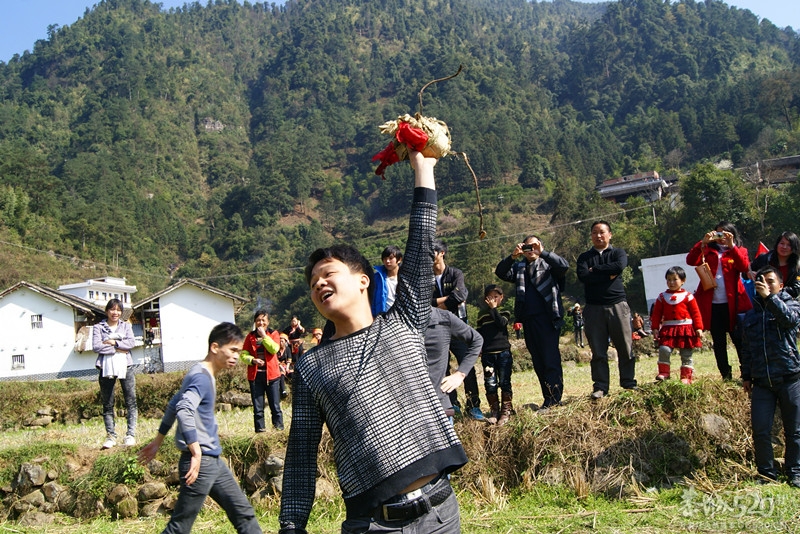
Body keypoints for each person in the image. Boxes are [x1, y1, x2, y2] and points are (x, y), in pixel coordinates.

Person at [279, 151, 465, 533]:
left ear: (364, 280)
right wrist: (291, 525)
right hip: (375, 525)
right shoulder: (313, 365)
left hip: (441, 514)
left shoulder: (403, 321)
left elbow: (418, 246)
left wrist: (423, 168)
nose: (318, 284)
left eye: (328, 273)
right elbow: (301, 453)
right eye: (313, 283)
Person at [138, 322, 263, 534]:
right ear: (215, 348)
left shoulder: (199, 372)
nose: (236, 356)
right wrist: (195, 452)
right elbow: (184, 409)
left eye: (238, 352)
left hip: (212, 461)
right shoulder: (201, 377)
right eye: (232, 350)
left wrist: (157, 442)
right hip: (201, 463)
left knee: (244, 514)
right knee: (179, 527)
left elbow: (173, 405)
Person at [739, 266, 800, 487]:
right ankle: (767, 473)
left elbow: (791, 321)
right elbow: (746, 348)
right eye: (761, 281)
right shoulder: (751, 315)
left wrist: (771, 298)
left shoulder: (791, 304)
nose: (765, 284)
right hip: (762, 382)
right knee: (761, 430)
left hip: (789, 377)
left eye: (771, 281)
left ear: (781, 285)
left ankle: (795, 472)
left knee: (794, 431)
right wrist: (746, 375)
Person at [496, 235, 568, 408]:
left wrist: (543, 252)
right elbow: (501, 272)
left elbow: (564, 266)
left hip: (548, 319)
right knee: (538, 361)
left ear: (541, 246)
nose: (531, 250)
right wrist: (512, 256)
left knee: (550, 359)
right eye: (527, 247)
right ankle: (547, 397)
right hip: (528, 320)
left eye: (534, 246)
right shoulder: (519, 267)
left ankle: (555, 398)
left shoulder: (549, 264)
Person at [576, 221, 637, 399]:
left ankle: (628, 382)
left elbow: (619, 267)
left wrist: (595, 270)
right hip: (594, 308)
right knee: (598, 351)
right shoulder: (584, 257)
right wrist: (605, 274)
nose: (598, 236)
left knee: (625, 347)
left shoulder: (618, 253)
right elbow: (584, 277)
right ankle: (600, 386)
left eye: (602, 232)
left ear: (610, 234)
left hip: (618, 305)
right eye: (594, 233)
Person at [686, 222, 752, 380]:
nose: (721, 238)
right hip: (714, 305)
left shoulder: (740, 250)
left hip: (735, 305)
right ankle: (726, 375)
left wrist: (732, 247)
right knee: (719, 343)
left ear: (733, 235)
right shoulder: (707, 250)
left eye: (725, 234)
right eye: (718, 234)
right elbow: (691, 260)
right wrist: (702, 243)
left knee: (740, 341)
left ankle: (747, 374)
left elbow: (743, 267)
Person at [433, 239, 484, 420]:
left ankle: (474, 405)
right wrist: (448, 300)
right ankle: (452, 404)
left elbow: (461, 295)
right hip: (436, 330)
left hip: (457, 326)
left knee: (466, 365)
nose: (429, 256)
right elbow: (425, 303)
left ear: (441, 253)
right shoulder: (426, 279)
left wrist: (436, 303)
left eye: (433, 252)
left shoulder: (455, 273)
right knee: (442, 368)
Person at [92, 298, 137, 449]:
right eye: (112, 309)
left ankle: (130, 434)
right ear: (107, 311)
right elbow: (97, 346)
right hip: (105, 367)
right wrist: (119, 348)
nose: (115, 313)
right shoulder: (99, 327)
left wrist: (114, 343)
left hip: (126, 365)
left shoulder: (126, 326)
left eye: (118, 310)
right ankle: (111, 436)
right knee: (108, 403)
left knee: (131, 400)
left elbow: (131, 343)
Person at [424, 307, 483, 420]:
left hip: (441, 409)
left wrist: (460, 374)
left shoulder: (444, 318)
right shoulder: (392, 320)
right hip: (407, 410)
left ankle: (472, 405)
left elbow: (476, 340)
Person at [650, 266, 704, 384]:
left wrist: (699, 328)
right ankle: (664, 373)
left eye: (675, 279)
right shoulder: (662, 297)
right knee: (664, 349)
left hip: (686, 329)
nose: (671, 282)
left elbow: (696, 313)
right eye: (669, 280)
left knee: (686, 353)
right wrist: (655, 327)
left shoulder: (688, 296)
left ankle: (686, 377)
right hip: (668, 329)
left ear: (683, 281)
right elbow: (656, 314)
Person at [476, 285, 514, 423]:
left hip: (503, 352)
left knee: (504, 382)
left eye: (496, 297)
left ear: (501, 297)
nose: (493, 300)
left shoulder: (504, 311)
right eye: (490, 297)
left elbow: (501, 323)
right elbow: (479, 333)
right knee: (490, 383)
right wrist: (478, 348)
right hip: (488, 354)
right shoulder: (482, 314)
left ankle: (506, 410)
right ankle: (494, 410)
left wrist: (493, 309)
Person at [240, 310, 283, 432]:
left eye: (263, 320)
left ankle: (278, 430)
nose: (261, 322)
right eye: (258, 320)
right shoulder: (250, 336)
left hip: (272, 376)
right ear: (255, 322)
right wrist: (253, 360)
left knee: (275, 406)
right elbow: (243, 354)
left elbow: (274, 349)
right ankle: (260, 431)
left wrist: (264, 336)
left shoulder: (273, 334)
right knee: (258, 407)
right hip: (255, 377)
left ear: (268, 322)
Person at [750, 232, 800, 299]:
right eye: (782, 243)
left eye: (789, 245)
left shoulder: (797, 266)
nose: (784, 247)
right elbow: (746, 271)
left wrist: (774, 291)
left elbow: (796, 289)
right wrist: (748, 274)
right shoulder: (763, 258)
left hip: (784, 303)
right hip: (760, 300)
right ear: (777, 244)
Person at [371, 245, 403, 315]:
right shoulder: (377, 278)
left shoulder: (406, 278)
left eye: (391, 258)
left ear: (399, 259)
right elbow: (372, 299)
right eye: (385, 259)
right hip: (383, 317)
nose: (387, 261)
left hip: (403, 317)